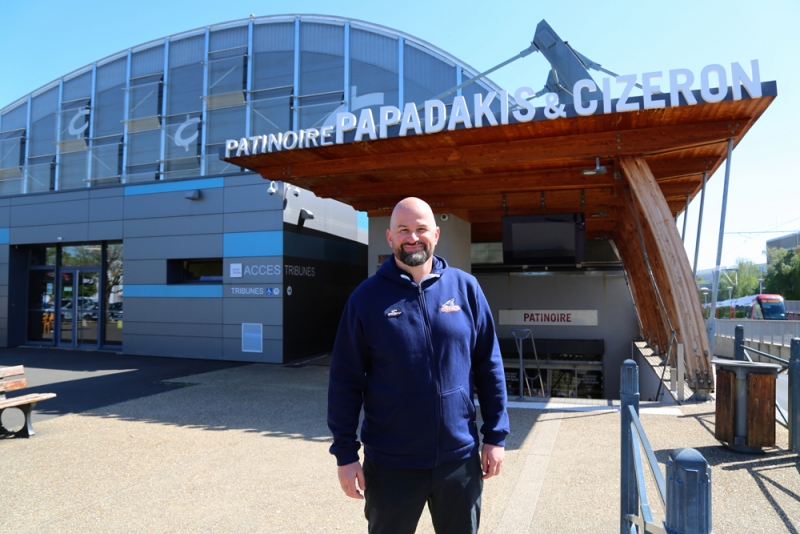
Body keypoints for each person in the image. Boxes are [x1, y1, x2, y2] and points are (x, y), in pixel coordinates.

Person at [327, 197, 509, 534]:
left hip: (459, 460)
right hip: (390, 464)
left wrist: (495, 437)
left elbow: (489, 366)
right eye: (404, 230)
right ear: (390, 238)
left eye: (421, 229)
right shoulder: (365, 299)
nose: (413, 237)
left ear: (436, 234)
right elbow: (345, 381)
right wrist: (346, 454)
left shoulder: (465, 289)